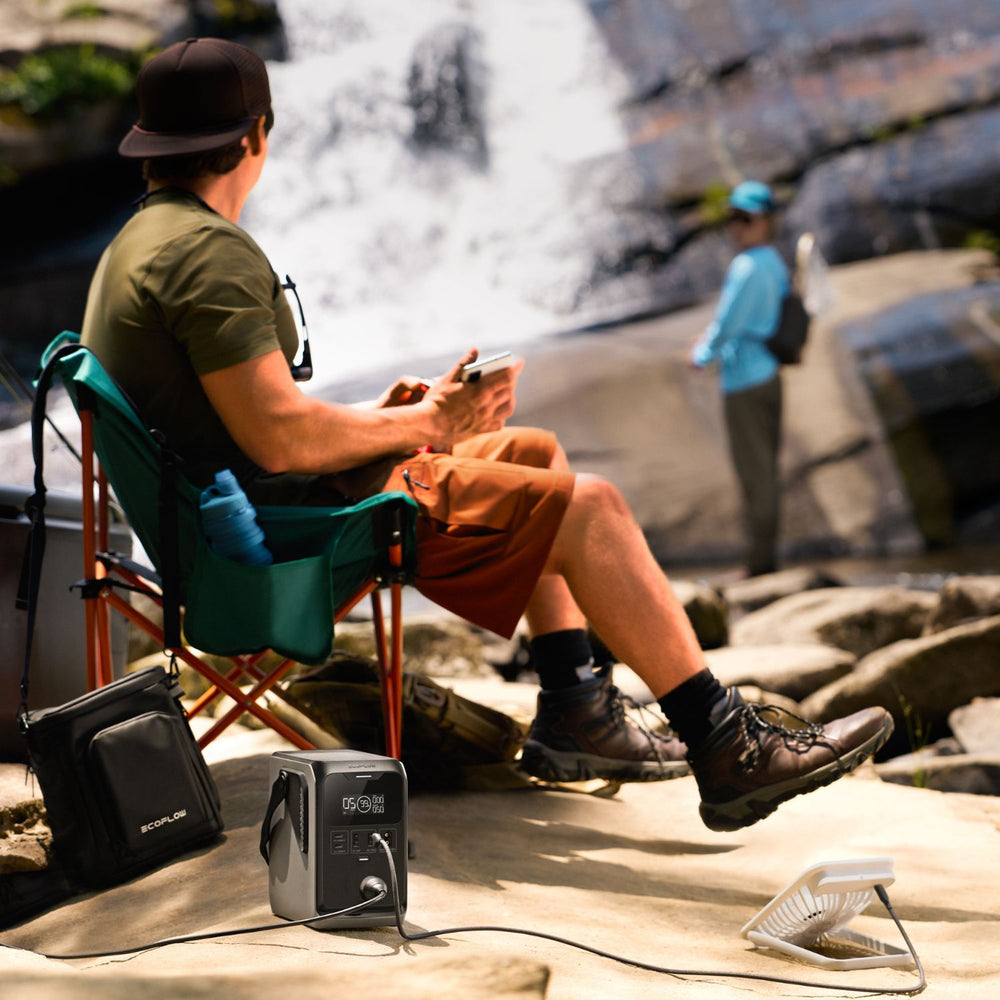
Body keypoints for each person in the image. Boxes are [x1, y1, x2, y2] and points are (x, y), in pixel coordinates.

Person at [81, 38, 893, 832]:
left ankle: (577, 711)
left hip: (240, 519)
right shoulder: (203, 255)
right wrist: (430, 423)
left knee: (532, 453)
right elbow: (282, 440)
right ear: (258, 134)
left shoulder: (145, 242)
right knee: (590, 507)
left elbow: (251, 425)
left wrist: (411, 415)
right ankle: (727, 747)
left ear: (150, 145)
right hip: (279, 544)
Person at [690, 181, 787, 578]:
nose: (737, 227)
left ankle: (760, 565)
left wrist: (701, 354)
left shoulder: (746, 266)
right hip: (769, 375)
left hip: (745, 384)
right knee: (763, 471)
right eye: (732, 219)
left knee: (755, 476)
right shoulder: (775, 263)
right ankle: (762, 558)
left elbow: (727, 323)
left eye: (745, 219)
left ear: (765, 222)